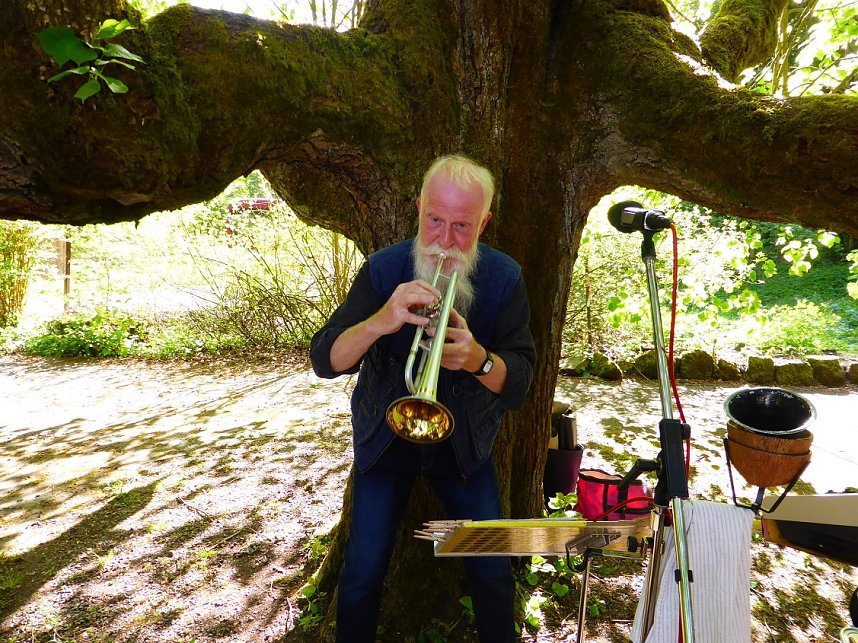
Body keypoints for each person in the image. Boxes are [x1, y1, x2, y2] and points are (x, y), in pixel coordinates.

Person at [310, 154, 536, 642]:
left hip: (464, 450)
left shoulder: (504, 278)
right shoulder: (384, 268)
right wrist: (381, 321)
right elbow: (325, 360)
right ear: (418, 210)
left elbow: (520, 381)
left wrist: (478, 359)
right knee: (362, 571)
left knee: (494, 570)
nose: (446, 242)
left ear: (484, 222)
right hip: (385, 444)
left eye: (462, 226)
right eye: (435, 221)